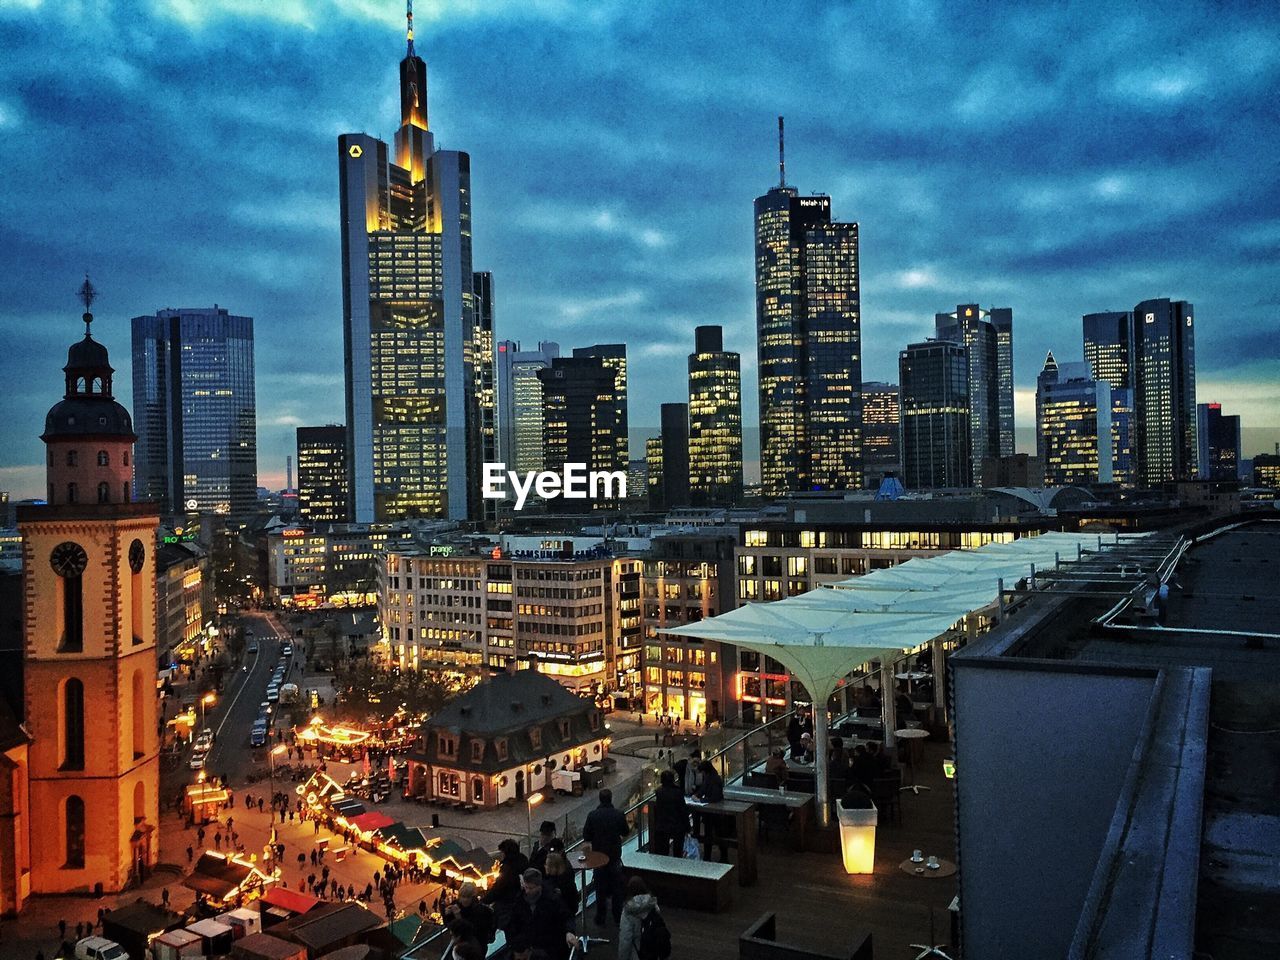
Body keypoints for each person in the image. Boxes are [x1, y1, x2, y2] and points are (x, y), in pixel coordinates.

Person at [505, 869, 578, 960]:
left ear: (539, 886)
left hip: (549, 944)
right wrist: (516, 947)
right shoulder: (519, 900)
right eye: (526, 887)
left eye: (530, 888)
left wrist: (569, 932)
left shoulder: (552, 899)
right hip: (526, 945)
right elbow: (513, 924)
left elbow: (566, 916)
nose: (527, 891)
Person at [581, 788, 629, 925]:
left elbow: (586, 835)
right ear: (611, 798)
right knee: (617, 887)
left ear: (600, 799)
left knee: (600, 887)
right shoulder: (619, 814)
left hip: (598, 857)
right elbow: (625, 831)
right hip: (614, 856)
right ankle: (617, 916)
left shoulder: (592, 815)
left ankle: (600, 916)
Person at [482, 838, 529, 931]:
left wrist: (484, 900)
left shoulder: (508, 868)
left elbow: (499, 888)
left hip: (508, 906)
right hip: (521, 902)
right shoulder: (523, 859)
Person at [617, 876, 668, 960]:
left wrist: (622, 957)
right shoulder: (653, 904)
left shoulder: (628, 911)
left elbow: (625, 938)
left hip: (637, 952)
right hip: (652, 949)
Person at [693, 759, 728, 861]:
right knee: (713, 833)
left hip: (716, 811)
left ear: (705, 771)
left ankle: (716, 856)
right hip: (711, 811)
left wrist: (699, 799)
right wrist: (697, 795)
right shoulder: (711, 777)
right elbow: (703, 789)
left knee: (716, 833)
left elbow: (714, 797)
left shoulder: (714, 780)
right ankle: (711, 856)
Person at [650, 769, 688, 858]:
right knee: (678, 850)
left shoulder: (659, 792)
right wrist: (687, 826)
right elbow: (682, 809)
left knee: (663, 850)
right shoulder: (677, 792)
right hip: (677, 824)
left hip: (663, 824)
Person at [446, 881, 496, 946]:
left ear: (473, 897)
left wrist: (458, 915)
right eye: (463, 896)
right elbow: (449, 925)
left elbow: (472, 931)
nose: (465, 899)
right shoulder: (457, 905)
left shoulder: (481, 910)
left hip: (476, 946)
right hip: (460, 944)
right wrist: (447, 914)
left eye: (468, 897)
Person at [542, 851, 580, 915]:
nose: (545, 866)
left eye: (547, 865)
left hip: (564, 914)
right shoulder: (566, 878)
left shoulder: (560, 884)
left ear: (553, 868)